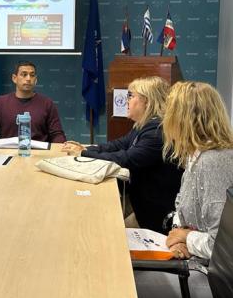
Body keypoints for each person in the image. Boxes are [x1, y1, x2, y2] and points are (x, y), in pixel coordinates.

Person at [134, 81, 233, 298]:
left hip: (226, 286)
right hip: (205, 268)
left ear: (181, 120)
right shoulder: (200, 156)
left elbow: (223, 247)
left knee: (125, 280)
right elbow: (183, 207)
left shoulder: (214, 164)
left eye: (169, 113)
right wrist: (179, 236)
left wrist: (187, 237)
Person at [62, 76, 182, 231]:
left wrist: (83, 154)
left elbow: (126, 159)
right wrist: (87, 149)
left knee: (103, 229)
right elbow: (118, 145)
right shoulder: (145, 125)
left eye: (131, 96)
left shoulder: (157, 131)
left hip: (154, 214)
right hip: (139, 201)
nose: (126, 101)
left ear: (147, 101)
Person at [0, 61, 66, 143]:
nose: (28, 78)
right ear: (14, 78)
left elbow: (57, 134)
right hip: (7, 152)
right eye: (24, 74)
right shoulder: (0, 102)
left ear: (36, 80)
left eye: (32, 75)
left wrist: (60, 147)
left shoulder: (47, 103)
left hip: (39, 153)